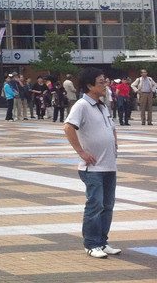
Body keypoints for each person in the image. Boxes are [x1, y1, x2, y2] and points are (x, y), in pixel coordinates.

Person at [64, 67, 120, 259]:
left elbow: (111, 128)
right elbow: (69, 127)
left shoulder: (102, 106)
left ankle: (102, 242)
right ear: (89, 85)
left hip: (109, 165)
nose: (105, 85)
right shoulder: (81, 105)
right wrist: (81, 152)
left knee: (107, 205)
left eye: (105, 81)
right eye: (101, 82)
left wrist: (115, 144)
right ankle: (91, 244)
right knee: (95, 205)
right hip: (93, 167)